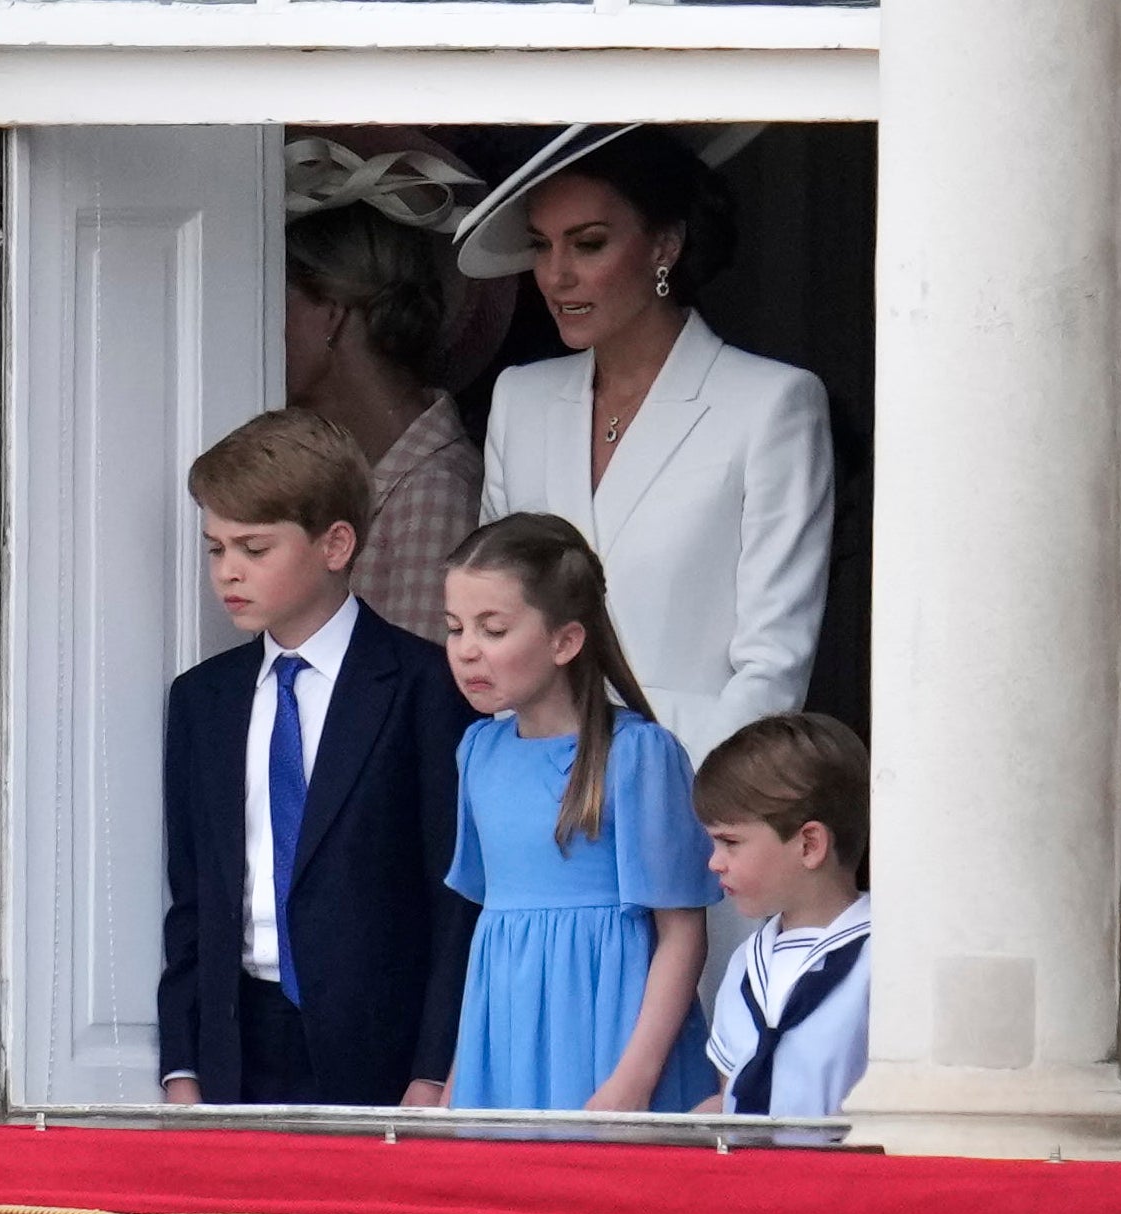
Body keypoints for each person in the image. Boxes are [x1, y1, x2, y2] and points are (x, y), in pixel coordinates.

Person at [459, 124, 835, 767]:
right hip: (533, 784)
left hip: (694, 787)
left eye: (589, 244)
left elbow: (774, 663)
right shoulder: (520, 400)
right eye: (541, 246)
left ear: (665, 244)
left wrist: (681, 796)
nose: (556, 275)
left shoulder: (771, 403)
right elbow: (490, 611)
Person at [157, 408, 478, 1107]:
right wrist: (182, 1063)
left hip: (380, 1047)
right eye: (216, 549)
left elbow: (453, 898)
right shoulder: (201, 702)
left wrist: (433, 1067)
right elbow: (194, 898)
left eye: (254, 548)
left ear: (336, 544)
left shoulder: (424, 687)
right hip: (237, 1042)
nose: (228, 572)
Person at [440, 513, 720, 1112]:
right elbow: (490, 937)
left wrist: (634, 1080)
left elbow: (682, 933)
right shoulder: (477, 753)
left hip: (610, 1040)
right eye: (455, 628)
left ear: (565, 640)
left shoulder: (638, 754)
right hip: (507, 1047)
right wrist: (460, 1081)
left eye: (493, 629)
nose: (467, 651)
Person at [283, 132, 501, 642]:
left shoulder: (435, 495)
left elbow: (414, 704)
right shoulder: (368, 474)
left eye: (279, 299)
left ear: (331, 312)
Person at [691, 714, 872, 1118]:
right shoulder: (745, 965)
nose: (715, 863)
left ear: (809, 844)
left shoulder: (881, 961)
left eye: (730, 842)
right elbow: (731, 1092)